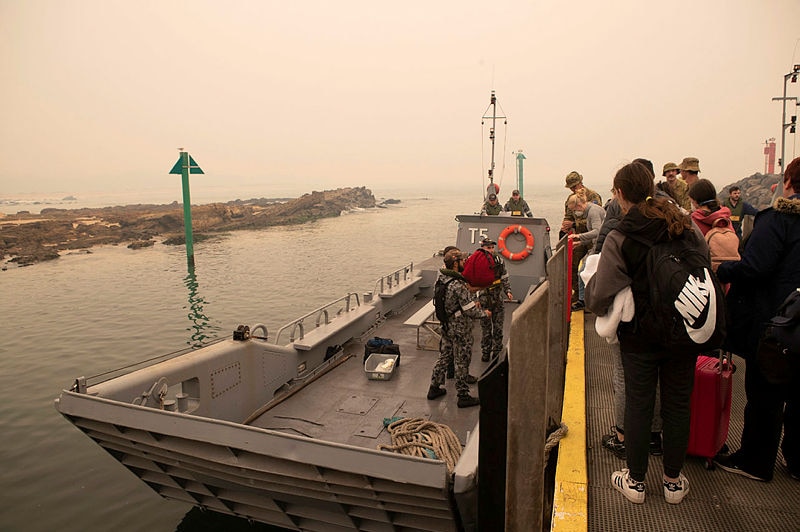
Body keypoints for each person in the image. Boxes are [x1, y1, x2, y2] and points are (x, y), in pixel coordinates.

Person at [586, 161, 704, 505]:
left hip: (640, 336)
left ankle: (635, 482)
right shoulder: (685, 225)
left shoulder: (623, 235)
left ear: (620, 194)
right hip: (684, 330)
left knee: (639, 404)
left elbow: (598, 296)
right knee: (678, 404)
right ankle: (673, 482)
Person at [714, 156, 800, 482]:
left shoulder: (778, 219)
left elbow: (755, 266)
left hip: (777, 323)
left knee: (766, 393)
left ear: (788, 183)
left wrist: (726, 269)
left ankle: (755, 460)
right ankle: (796, 462)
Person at [427, 249, 490, 408]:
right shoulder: (458, 285)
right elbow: (470, 310)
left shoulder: (442, 279)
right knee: (462, 360)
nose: (465, 263)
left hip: (447, 326)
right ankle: (463, 395)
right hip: (460, 328)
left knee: (445, 356)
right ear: (455, 264)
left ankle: (434, 387)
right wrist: (485, 314)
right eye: (463, 261)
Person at [566, 190, 605, 310]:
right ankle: (586, 299)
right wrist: (580, 243)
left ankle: (583, 301)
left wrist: (578, 236)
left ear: (578, 206)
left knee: (582, 271)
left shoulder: (593, 212)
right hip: (597, 245)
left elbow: (597, 231)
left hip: (600, 247)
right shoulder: (591, 211)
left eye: (574, 210)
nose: (575, 213)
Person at [476, 238, 513, 362]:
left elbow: (504, 277)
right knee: (486, 330)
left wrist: (508, 290)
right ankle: (485, 351)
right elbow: (470, 282)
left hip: (497, 299)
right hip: (484, 301)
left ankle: (497, 351)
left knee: (498, 328)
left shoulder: (499, 261)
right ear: (482, 248)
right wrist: (475, 299)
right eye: (488, 248)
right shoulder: (478, 262)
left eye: (492, 247)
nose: (491, 250)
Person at [560, 171, 602, 238]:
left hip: (590, 234)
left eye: (574, 186)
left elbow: (595, 219)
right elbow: (568, 216)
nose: (573, 189)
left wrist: (574, 224)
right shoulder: (571, 198)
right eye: (571, 188)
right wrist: (565, 225)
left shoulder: (593, 196)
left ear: (580, 183)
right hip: (577, 234)